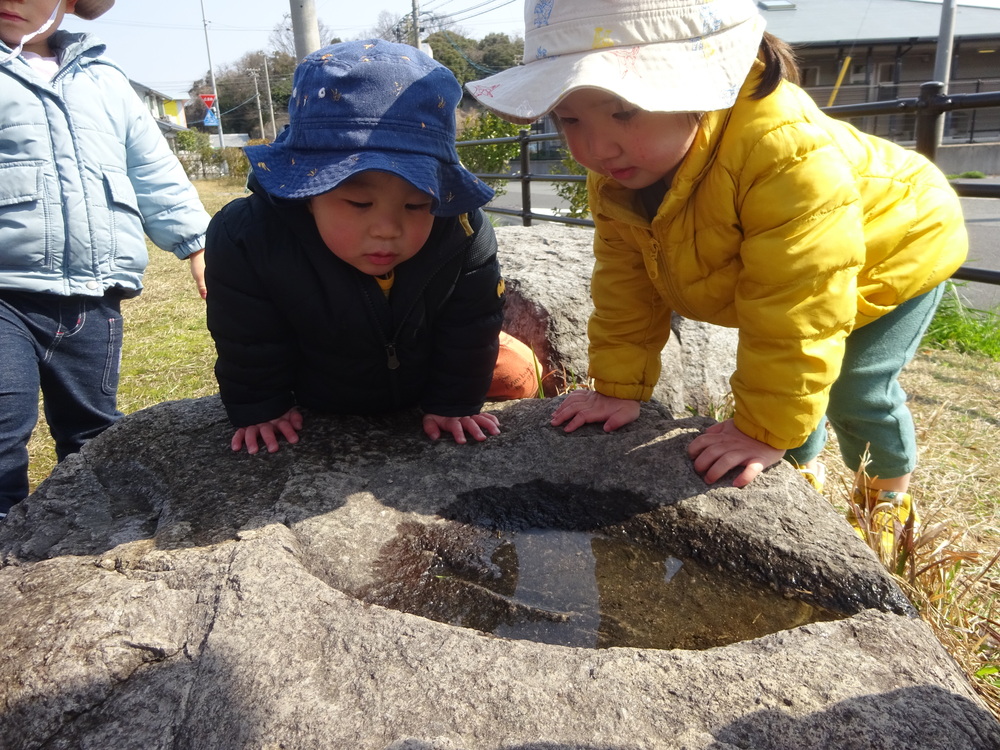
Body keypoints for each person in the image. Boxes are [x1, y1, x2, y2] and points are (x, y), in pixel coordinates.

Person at [466, 0, 967, 533]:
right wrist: (617, 387)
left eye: (624, 110)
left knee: (855, 388)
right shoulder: (621, 172)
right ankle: (799, 476)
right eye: (569, 119)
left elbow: (797, 304)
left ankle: (885, 507)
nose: (596, 146)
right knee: (794, 386)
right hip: (796, 275)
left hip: (895, 245)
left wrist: (763, 428)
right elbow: (626, 282)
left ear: (699, 82)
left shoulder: (783, 151)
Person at [205, 40, 538, 456]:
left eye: (417, 205)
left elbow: (471, 324)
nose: (387, 229)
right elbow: (247, 335)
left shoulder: (462, 231)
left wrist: (454, 403)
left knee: (519, 372)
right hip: (320, 386)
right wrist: (260, 406)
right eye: (359, 203)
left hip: (424, 374)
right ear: (307, 192)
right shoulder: (249, 236)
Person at [0, 0, 211, 520]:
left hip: (93, 299)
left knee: (94, 430)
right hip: (5, 290)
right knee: (3, 430)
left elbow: (152, 167)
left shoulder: (105, 79)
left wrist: (197, 241)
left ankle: (90, 537)